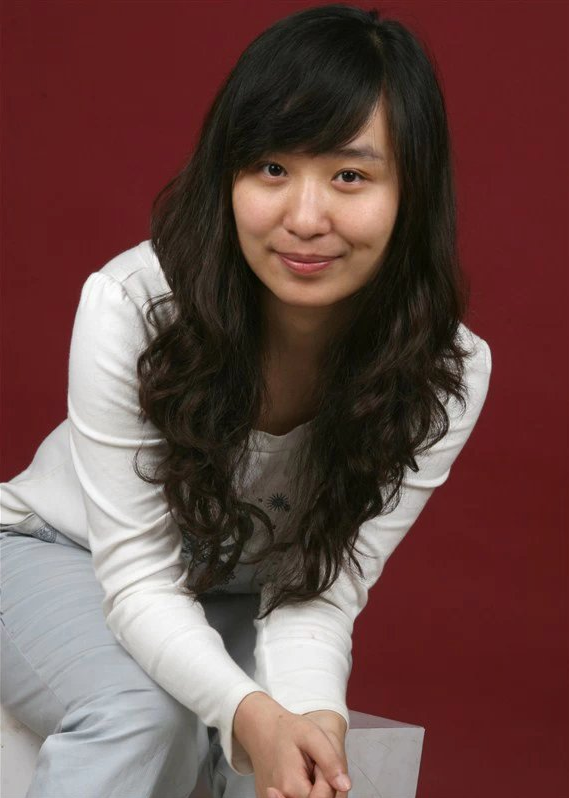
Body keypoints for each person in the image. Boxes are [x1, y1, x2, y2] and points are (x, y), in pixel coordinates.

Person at [0, 3, 493, 798]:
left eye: (349, 176)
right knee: (145, 717)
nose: (304, 218)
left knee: (300, 750)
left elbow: (317, 590)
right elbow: (138, 579)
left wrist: (314, 721)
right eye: (270, 168)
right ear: (226, 175)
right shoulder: (135, 304)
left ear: (412, 191)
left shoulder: (445, 372)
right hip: (54, 552)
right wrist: (251, 714)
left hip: (227, 595)